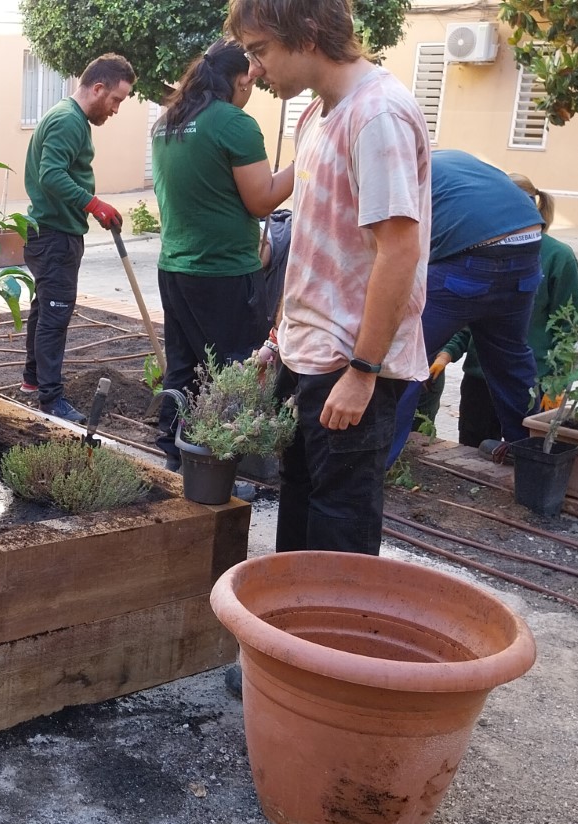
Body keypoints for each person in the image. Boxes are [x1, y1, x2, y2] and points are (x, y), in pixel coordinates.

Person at [228, 0, 431, 555]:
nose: (254, 70)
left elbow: (399, 251)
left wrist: (363, 372)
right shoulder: (315, 116)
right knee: (299, 509)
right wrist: (279, 337)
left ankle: (331, 619)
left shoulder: (378, 115)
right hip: (308, 356)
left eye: (260, 50)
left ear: (308, 33)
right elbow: (313, 246)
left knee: (340, 534)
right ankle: (290, 615)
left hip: (351, 362)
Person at [151, 39, 295, 470]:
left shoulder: (168, 122)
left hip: (175, 266)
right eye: (249, 84)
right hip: (224, 272)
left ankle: (175, 455)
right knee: (236, 370)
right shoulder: (234, 123)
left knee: (184, 365)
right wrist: (305, 163)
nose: (250, 92)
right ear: (238, 81)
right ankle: (225, 467)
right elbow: (262, 201)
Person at [386, 149, 545, 465]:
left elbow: (392, 252)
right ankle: (532, 460)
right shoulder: (454, 160)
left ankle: (375, 464)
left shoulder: (395, 173)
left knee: (404, 358)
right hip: (527, 250)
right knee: (511, 360)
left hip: (471, 261)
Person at [422, 173, 578, 450]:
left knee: (523, 449)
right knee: (472, 450)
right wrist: (446, 353)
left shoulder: (557, 256)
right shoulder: (479, 248)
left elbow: (570, 327)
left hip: (531, 381)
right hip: (479, 377)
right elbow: (469, 314)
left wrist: (557, 382)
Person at [19, 53, 137, 425]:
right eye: (116, 100)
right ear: (98, 88)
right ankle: (51, 399)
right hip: (54, 235)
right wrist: (93, 204)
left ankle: (32, 380)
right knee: (55, 314)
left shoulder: (70, 118)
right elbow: (51, 175)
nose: (116, 109)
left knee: (44, 309)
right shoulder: (68, 121)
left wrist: (90, 206)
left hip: (51, 232)